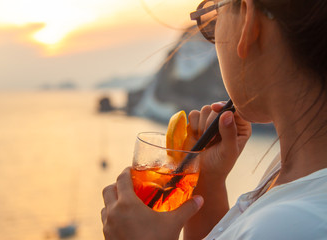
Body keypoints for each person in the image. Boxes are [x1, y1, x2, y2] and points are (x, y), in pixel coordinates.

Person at [101, 0, 327, 239]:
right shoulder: (293, 172)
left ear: (247, 23)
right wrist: (207, 182)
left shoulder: (287, 226)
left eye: (214, 17)